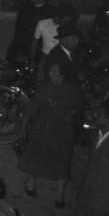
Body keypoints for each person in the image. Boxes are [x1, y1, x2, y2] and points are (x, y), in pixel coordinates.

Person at [17, 59, 83, 205]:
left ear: (62, 75)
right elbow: (33, 106)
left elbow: (79, 107)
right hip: (43, 126)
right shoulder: (44, 87)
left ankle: (60, 193)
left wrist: (71, 114)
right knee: (36, 154)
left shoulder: (72, 89)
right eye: (50, 71)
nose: (50, 74)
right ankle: (31, 181)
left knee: (62, 160)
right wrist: (25, 124)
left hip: (63, 130)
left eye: (54, 71)